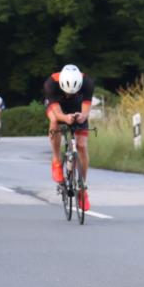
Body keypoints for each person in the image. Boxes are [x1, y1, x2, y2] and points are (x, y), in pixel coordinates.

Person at [43, 65, 95, 211]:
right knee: (54, 120)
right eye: (67, 92)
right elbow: (58, 114)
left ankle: (82, 189)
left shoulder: (87, 83)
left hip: (77, 106)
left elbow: (85, 111)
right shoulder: (51, 83)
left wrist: (81, 116)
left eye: (74, 92)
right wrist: (65, 118)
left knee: (82, 145)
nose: (70, 94)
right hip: (58, 107)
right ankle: (56, 160)